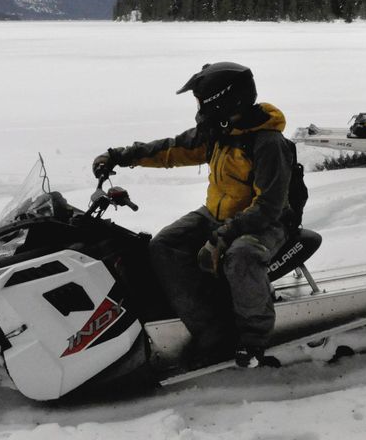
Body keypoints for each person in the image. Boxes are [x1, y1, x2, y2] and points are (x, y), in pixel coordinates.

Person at [92, 61, 294, 370]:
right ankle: (211, 331)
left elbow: (269, 205)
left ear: (221, 100)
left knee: (240, 257)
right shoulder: (218, 131)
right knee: (164, 245)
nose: (198, 106)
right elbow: (172, 149)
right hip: (218, 214)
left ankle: (252, 341)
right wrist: (121, 156)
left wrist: (225, 234)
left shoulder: (267, 143)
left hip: (265, 222)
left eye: (201, 99)